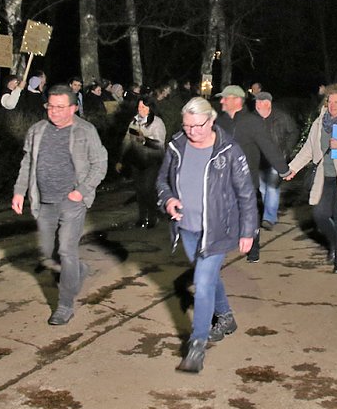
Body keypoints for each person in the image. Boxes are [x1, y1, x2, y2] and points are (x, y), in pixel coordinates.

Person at [156, 97, 258, 373]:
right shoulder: (177, 146)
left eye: (198, 126)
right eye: (187, 126)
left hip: (218, 231)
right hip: (186, 227)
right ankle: (225, 316)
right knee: (209, 278)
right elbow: (162, 181)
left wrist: (248, 230)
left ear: (211, 121)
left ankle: (197, 345)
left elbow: (246, 193)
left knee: (202, 283)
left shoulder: (229, 151)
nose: (192, 131)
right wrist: (167, 200)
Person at [11, 84, 108, 325]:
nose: (53, 112)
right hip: (44, 201)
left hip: (72, 202)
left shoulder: (86, 131)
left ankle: (64, 306)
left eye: (60, 107)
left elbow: (100, 164)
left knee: (66, 250)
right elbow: (27, 164)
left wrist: (81, 191)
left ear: (73, 108)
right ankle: (78, 270)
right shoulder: (37, 130)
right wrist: (19, 192)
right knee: (48, 255)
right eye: (50, 106)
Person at [286, 83, 337, 274]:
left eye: (336, 102)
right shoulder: (319, 123)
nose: (332, 105)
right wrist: (292, 168)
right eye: (329, 101)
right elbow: (308, 149)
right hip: (325, 178)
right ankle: (334, 243)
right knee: (319, 215)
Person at [215, 84, 290, 263]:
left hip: (247, 178)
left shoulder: (252, 122)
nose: (221, 101)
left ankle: (253, 246)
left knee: (249, 213)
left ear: (237, 100)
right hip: (222, 179)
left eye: (225, 98)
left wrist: (283, 169)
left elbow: (268, 147)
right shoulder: (219, 122)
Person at [115, 95, 166, 228]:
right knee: (139, 191)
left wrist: (145, 140)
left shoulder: (157, 123)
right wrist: (120, 159)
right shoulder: (134, 122)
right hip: (137, 161)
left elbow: (159, 144)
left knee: (148, 189)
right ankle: (142, 217)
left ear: (150, 108)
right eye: (139, 107)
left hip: (152, 162)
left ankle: (153, 217)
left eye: (143, 107)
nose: (140, 109)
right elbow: (127, 140)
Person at [254, 91, 300, 229]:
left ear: (267, 104)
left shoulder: (281, 117)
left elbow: (294, 132)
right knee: (262, 189)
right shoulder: (253, 119)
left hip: (276, 158)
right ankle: (269, 213)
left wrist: (286, 150)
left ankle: (269, 217)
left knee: (272, 188)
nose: (255, 105)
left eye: (258, 103)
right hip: (259, 159)